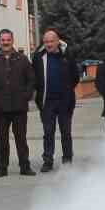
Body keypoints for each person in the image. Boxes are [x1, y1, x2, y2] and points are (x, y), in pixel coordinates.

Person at [0, 28, 36, 177]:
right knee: (2, 140)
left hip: (19, 107)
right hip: (0, 108)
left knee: (21, 139)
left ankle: (25, 166)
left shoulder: (22, 59)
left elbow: (31, 80)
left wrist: (26, 96)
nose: (6, 42)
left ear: (12, 41)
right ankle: (2, 168)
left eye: (8, 40)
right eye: (3, 40)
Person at [31, 28, 77, 172]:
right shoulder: (38, 57)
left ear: (58, 41)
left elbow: (75, 77)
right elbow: (34, 78)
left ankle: (67, 160)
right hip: (47, 102)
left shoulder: (67, 55)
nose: (49, 44)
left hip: (65, 102)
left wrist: (67, 92)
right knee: (48, 133)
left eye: (51, 41)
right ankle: (48, 161)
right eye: (46, 42)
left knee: (66, 133)